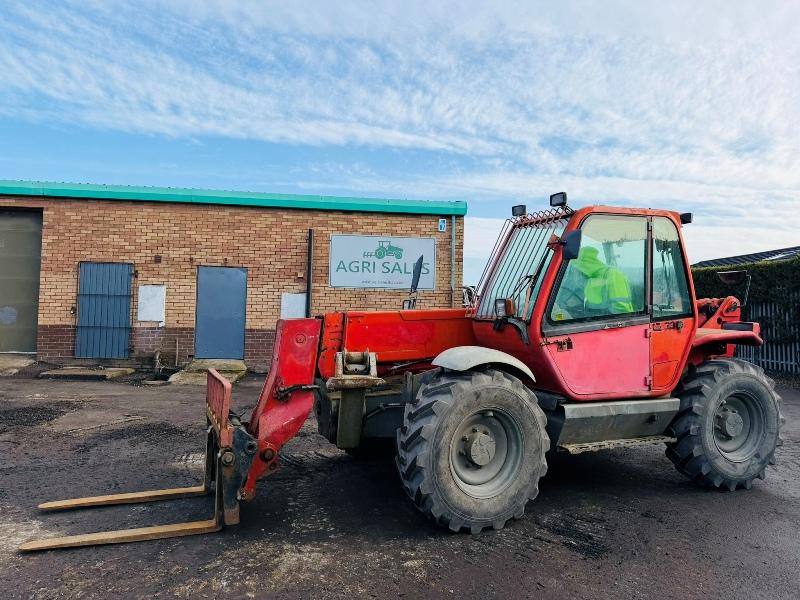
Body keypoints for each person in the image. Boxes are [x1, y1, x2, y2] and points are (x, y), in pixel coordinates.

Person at [571, 246, 634, 316]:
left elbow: (622, 312)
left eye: (575, 270)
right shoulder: (590, 281)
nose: (574, 274)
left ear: (584, 267)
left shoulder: (613, 275)